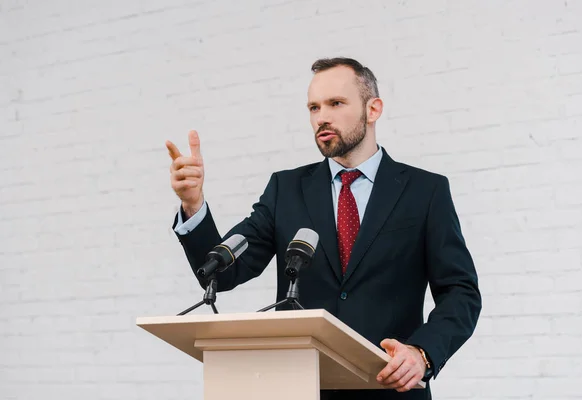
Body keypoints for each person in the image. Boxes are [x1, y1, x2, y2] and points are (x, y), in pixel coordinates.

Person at [166, 57, 482, 399]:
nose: (322, 117)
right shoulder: (285, 190)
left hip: (391, 390)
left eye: (335, 103)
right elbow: (223, 273)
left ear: (373, 109)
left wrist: (422, 353)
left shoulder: (425, 191)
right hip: (301, 389)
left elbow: (460, 292)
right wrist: (193, 205)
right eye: (313, 107)